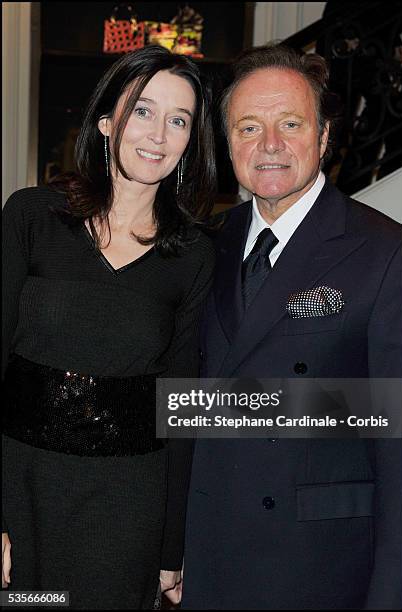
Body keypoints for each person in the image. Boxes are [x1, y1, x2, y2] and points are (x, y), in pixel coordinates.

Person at [181, 44, 402, 609]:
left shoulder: (385, 253)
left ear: (325, 136)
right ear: (227, 142)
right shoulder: (205, 244)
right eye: (249, 126)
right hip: (209, 556)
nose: (270, 145)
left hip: (321, 568)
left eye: (290, 124)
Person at [2, 45, 216, 609]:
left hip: (125, 507)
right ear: (105, 121)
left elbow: (183, 406)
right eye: (142, 110)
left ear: (191, 141)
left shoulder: (193, 255)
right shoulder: (31, 216)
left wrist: (172, 547)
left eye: (179, 120)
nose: (158, 134)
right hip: (22, 491)